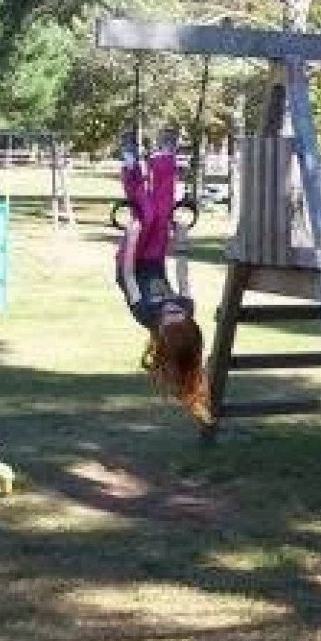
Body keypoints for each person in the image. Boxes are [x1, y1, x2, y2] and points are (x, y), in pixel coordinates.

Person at [114, 129, 211, 426]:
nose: (173, 311)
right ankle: (164, 157)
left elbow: (129, 275)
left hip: (130, 261)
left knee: (148, 216)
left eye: (170, 320)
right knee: (164, 209)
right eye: (180, 316)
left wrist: (131, 238)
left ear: (161, 333)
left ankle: (131, 162)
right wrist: (181, 239)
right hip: (155, 259)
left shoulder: (145, 314)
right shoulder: (186, 309)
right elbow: (181, 273)